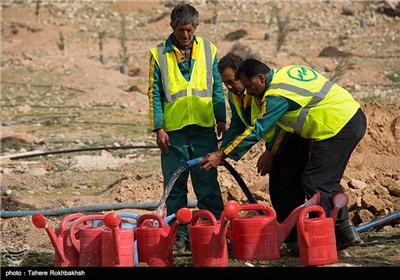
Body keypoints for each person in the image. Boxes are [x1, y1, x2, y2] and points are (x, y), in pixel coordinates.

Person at [201, 59, 367, 251]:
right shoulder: (283, 74)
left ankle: (328, 238)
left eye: (248, 86)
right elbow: (241, 124)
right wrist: (224, 150)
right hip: (337, 122)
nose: (247, 91)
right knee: (323, 182)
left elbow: (258, 129)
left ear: (261, 78)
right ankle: (339, 234)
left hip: (339, 125)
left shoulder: (276, 95)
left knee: (316, 182)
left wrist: (223, 154)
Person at [147, 3, 226, 254]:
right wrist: (158, 127)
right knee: (175, 186)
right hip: (174, 132)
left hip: (203, 128)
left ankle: (214, 232)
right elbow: (155, 94)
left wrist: (221, 117)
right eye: (181, 30)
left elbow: (216, 89)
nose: (185, 36)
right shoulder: (158, 54)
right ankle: (178, 236)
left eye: (190, 30)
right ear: (172, 27)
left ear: (197, 27)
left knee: (207, 184)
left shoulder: (209, 50)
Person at [218, 54, 310, 256]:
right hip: (275, 146)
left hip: (291, 140)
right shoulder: (234, 96)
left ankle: (298, 241)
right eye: (225, 83)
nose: (230, 87)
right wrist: (222, 152)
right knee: (278, 190)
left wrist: (270, 152)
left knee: (290, 189)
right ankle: (289, 239)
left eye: (232, 81)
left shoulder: (258, 92)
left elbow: (276, 122)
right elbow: (239, 124)